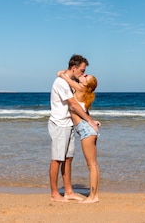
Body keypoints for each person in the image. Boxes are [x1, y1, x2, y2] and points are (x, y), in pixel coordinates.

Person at [48, 54, 100, 202]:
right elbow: (74, 104)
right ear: (74, 68)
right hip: (60, 124)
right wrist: (90, 120)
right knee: (57, 159)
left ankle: (69, 191)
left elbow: (81, 104)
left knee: (69, 158)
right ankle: (54, 193)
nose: (83, 74)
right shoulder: (62, 83)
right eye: (82, 71)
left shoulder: (74, 84)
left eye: (85, 73)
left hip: (71, 125)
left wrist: (90, 120)